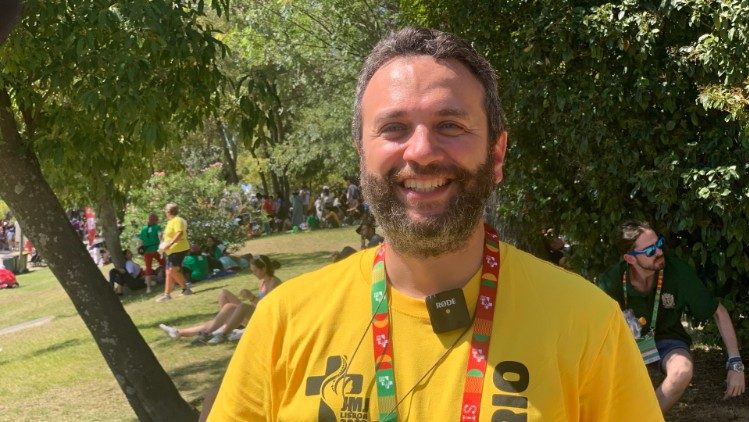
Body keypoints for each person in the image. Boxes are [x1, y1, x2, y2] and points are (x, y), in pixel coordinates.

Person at [209, 27, 661, 421]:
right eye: (394, 127)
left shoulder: (588, 323)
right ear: (361, 154)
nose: (421, 152)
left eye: (450, 125)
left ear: (497, 154)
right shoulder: (283, 322)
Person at [597, 219, 745, 413]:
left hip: (667, 338)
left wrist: (735, 364)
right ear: (630, 259)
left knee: (682, 371)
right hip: (626, 342)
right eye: (650, 251)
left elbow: (719, 311)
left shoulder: (677, 272)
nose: (659, 252)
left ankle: (647, 417)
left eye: (659, 243)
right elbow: (595, 330)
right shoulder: (611, 281)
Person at [159, 255, 281, 345]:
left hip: (266, 320)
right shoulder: (263, 281)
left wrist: (252, 297)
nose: (253, 273)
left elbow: (268, 309)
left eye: (255, 271)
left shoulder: (274, 283)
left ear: (264, 268)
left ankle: (222, 333)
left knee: (242, 307)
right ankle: (183, 332)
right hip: (256, 315)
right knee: (225, 299)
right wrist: (251, 299)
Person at [156, 203, 192, 302]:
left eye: (165, 210)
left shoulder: (177, 220)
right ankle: (167, 294)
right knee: (169, 272)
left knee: (172, 270)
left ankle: (185, 289)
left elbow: (179, 233)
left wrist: (170, 244)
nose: (165, 212)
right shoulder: (171, 221)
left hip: (178, 248)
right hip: (172, 250)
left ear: (168, 212)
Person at [139, 213, 165, 293]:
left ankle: (148, 288)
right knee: (165, 264)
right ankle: (172, 280)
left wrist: (141, 251)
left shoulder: (143, 229)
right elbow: (160, 237)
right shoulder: (157, 227)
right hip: (156, 249)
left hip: (147, 251)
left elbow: (141, 242)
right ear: (155, 220)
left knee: (148, 268)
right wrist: (162, 247)